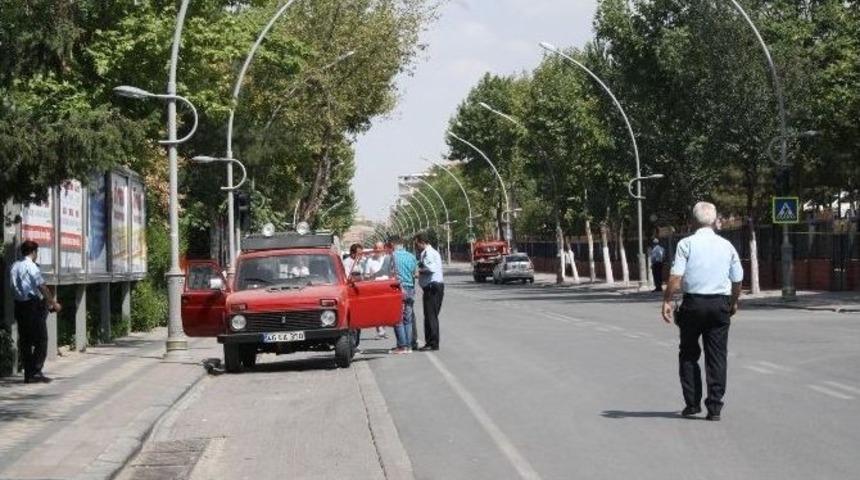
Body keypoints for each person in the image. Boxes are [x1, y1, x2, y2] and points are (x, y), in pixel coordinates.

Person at [661, 202, 743, 421]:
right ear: (715, 221)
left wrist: (667, 301)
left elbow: (676, 277)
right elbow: (737, 280)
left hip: (693, 305)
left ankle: (692, 404)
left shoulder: (686, 244)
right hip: (719, 305)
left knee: (688, 353)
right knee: (717, 356)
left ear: (693, 221)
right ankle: (715, 408)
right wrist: (733, 303)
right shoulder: (727, 246)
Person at [10, 241, 61, 383]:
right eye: (36, 252)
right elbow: (42, 287)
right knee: (41, 339)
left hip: (19, 306)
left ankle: (28, 374)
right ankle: (36, 371)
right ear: (34, 252)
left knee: (25, 341)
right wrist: (53, 303)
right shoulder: (31, 266)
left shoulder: (14, 266)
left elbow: (12, 287)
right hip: (33, 305)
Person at [389, 236, 418, 355]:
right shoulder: (411, 256)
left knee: (397, 318)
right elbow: (416, 274)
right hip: (410, 289)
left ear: (392, 244)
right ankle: (409, 346)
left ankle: (402, 345)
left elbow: (389, 273)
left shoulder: (392, 257)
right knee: (408, 319)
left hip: (398, 289)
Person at [415, 233, 444, 351]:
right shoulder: (428, 252)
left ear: (422, 242)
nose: (416, 246)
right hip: (432, 287)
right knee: (430, 316)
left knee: (430, 316)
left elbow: (430, 268)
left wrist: (419, 272)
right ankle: (431, 342)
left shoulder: (428, 253)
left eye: (417, 243)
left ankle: (432, 343)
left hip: (432, 287)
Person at [363, 241, 390, 338]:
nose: (378, 250)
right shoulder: (370, 260)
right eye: (376, 248)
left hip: (387, 287)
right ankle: (380, 330)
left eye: (380, 248)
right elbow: (366, 275)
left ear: (383, 248)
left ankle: (383, 328)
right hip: (375, 288)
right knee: (377, 309)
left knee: (386, 310)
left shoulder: (387, 259)